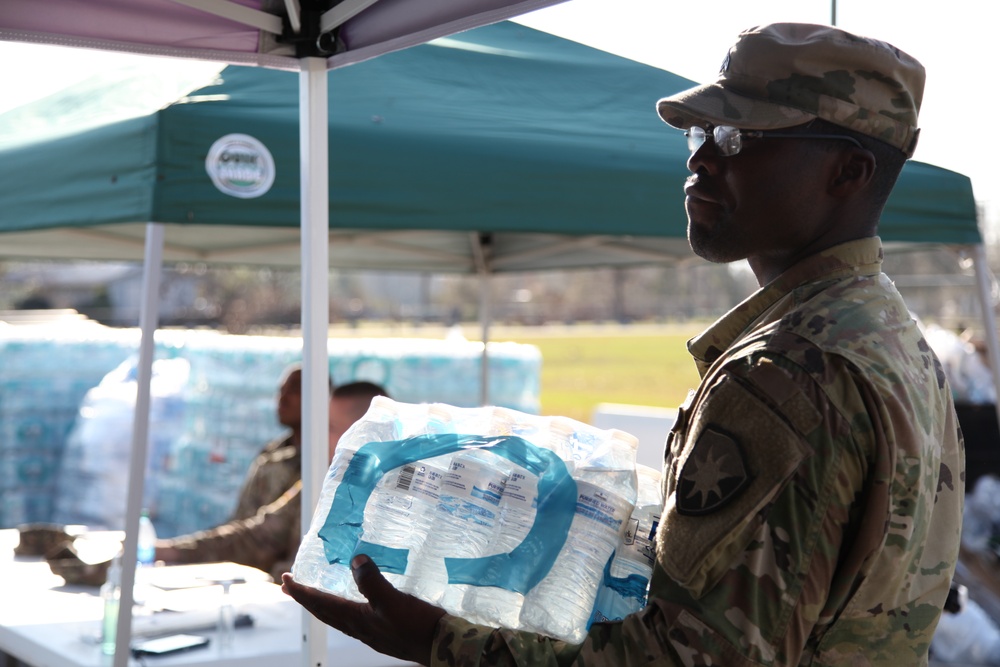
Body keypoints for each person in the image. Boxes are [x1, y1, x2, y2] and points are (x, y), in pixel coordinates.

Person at [281, 22, 964, 666]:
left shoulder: (785, 371)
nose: (700, 157)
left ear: (848, 172)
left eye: (738, 136)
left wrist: (444, 640)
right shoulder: (897, 343)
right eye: (701, 131)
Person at [153, 378, 384, 581]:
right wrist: (169, 551)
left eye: (330, 428)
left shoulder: (394, 505)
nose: (319, 435)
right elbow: (259, 536)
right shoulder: (322, 483)